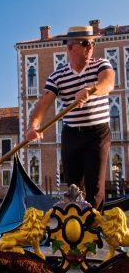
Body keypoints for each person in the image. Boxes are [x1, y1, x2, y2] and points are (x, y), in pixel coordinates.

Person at [25, 26, 115, 211]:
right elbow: (43, 103)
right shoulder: (57, 76)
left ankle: (93, 230)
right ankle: (74, 227)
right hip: (71, 134)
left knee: (95, 186)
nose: (90, 46)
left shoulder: (101, 64)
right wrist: (33, 125)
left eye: (91, 42)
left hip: (98, 133)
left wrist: (91, 90)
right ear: (70, 47)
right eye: (85, 43)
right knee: (73, 187)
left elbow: (108, 82)